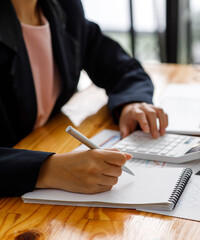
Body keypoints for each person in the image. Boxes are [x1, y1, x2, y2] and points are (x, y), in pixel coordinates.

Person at [0, 0, 168, 197]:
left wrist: (131, 103)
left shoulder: (64, 8)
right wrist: (48, 170)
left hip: (44, 143)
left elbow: (121, 67)